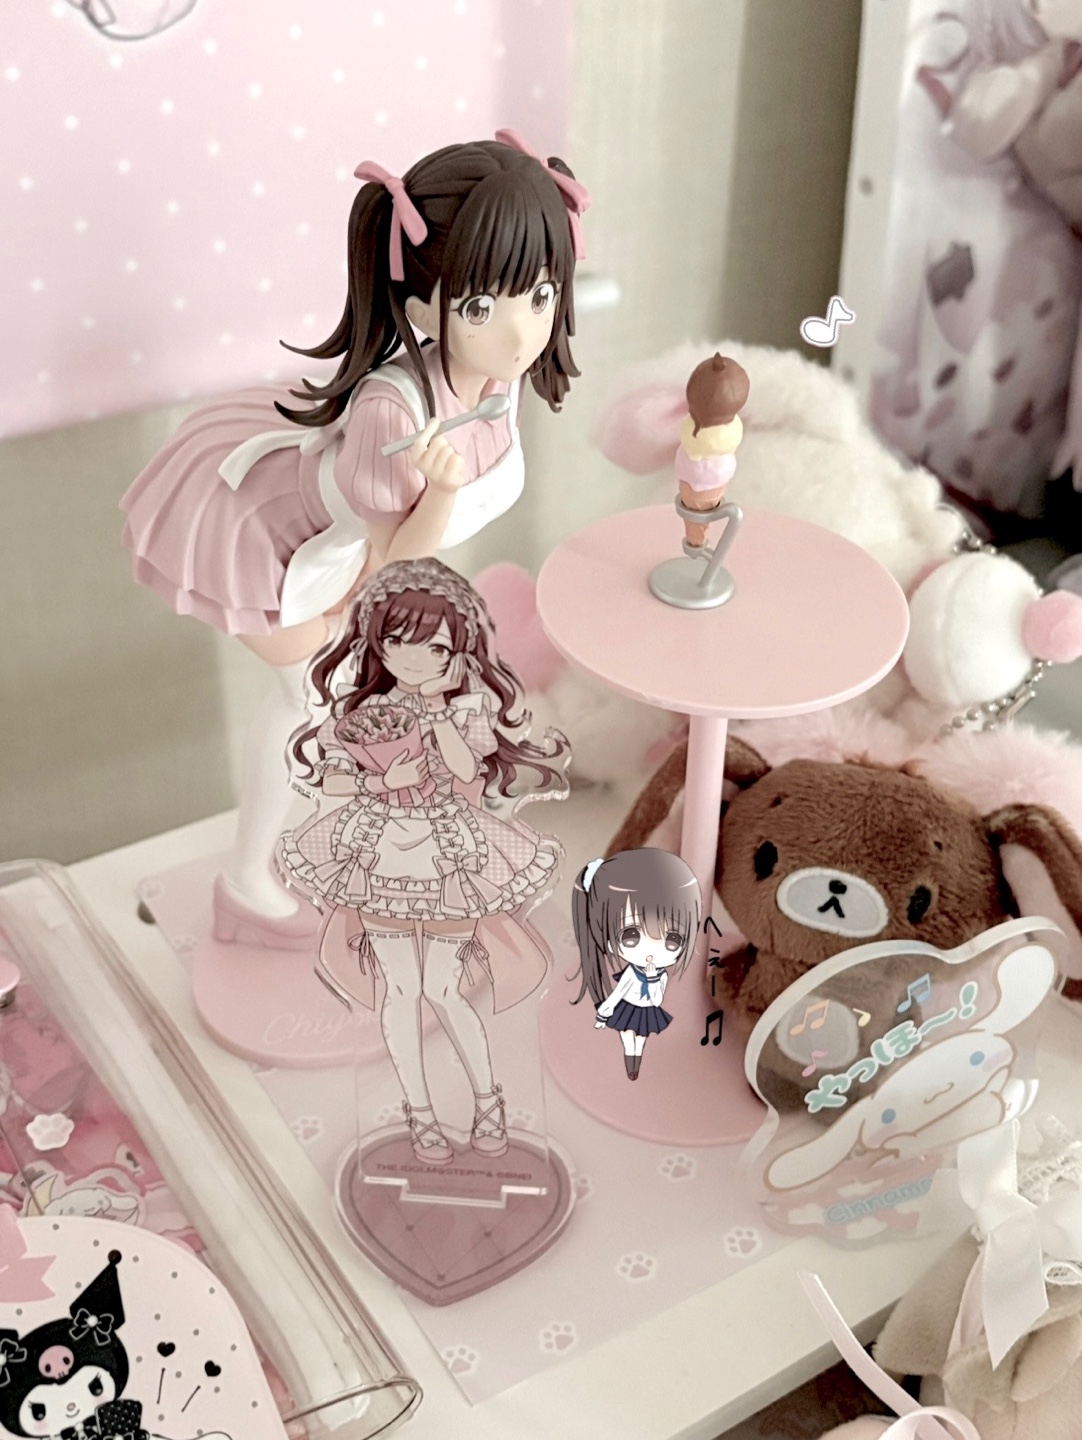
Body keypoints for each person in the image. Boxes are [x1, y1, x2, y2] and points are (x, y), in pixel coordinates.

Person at [120, 133, 588, 944]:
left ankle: (328, 855)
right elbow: (396, 564)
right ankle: (246, 886)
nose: (521, 333)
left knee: (356, 701)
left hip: (344, 558)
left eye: (540, 295)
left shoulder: (496, 380)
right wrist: (440, 494)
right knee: (308, 702)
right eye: (483, 307)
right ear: (422, 307)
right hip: (266, 537)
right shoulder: (390, 415)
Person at [280, 558, 569, 1164]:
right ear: (377, 641)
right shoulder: (359, 711)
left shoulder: (464, 709)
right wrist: (381, 782)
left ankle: (488, 1103)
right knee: (399, 990)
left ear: (456, 652)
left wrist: (436, 714)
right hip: (379, 853)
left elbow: (468, 773)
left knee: (444, 987)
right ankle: (422, 1117)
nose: (414, 658)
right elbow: (332, 779)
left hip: (447, 855)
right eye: (398, 640)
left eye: (434, 647)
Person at [571, 849, 700, 1081]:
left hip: (646, 1010)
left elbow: (657, 1000)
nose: (651, 951)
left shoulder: (661, 976)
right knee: (626, 1037)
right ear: (606, 938)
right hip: (627, 1007)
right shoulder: (631, 972)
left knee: (640, 1039)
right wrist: (605, 1010)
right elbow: (619, 992)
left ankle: (634, 1063)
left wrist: (652, 980)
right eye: (631, 935)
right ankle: (630, 1061)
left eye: (672, 939)